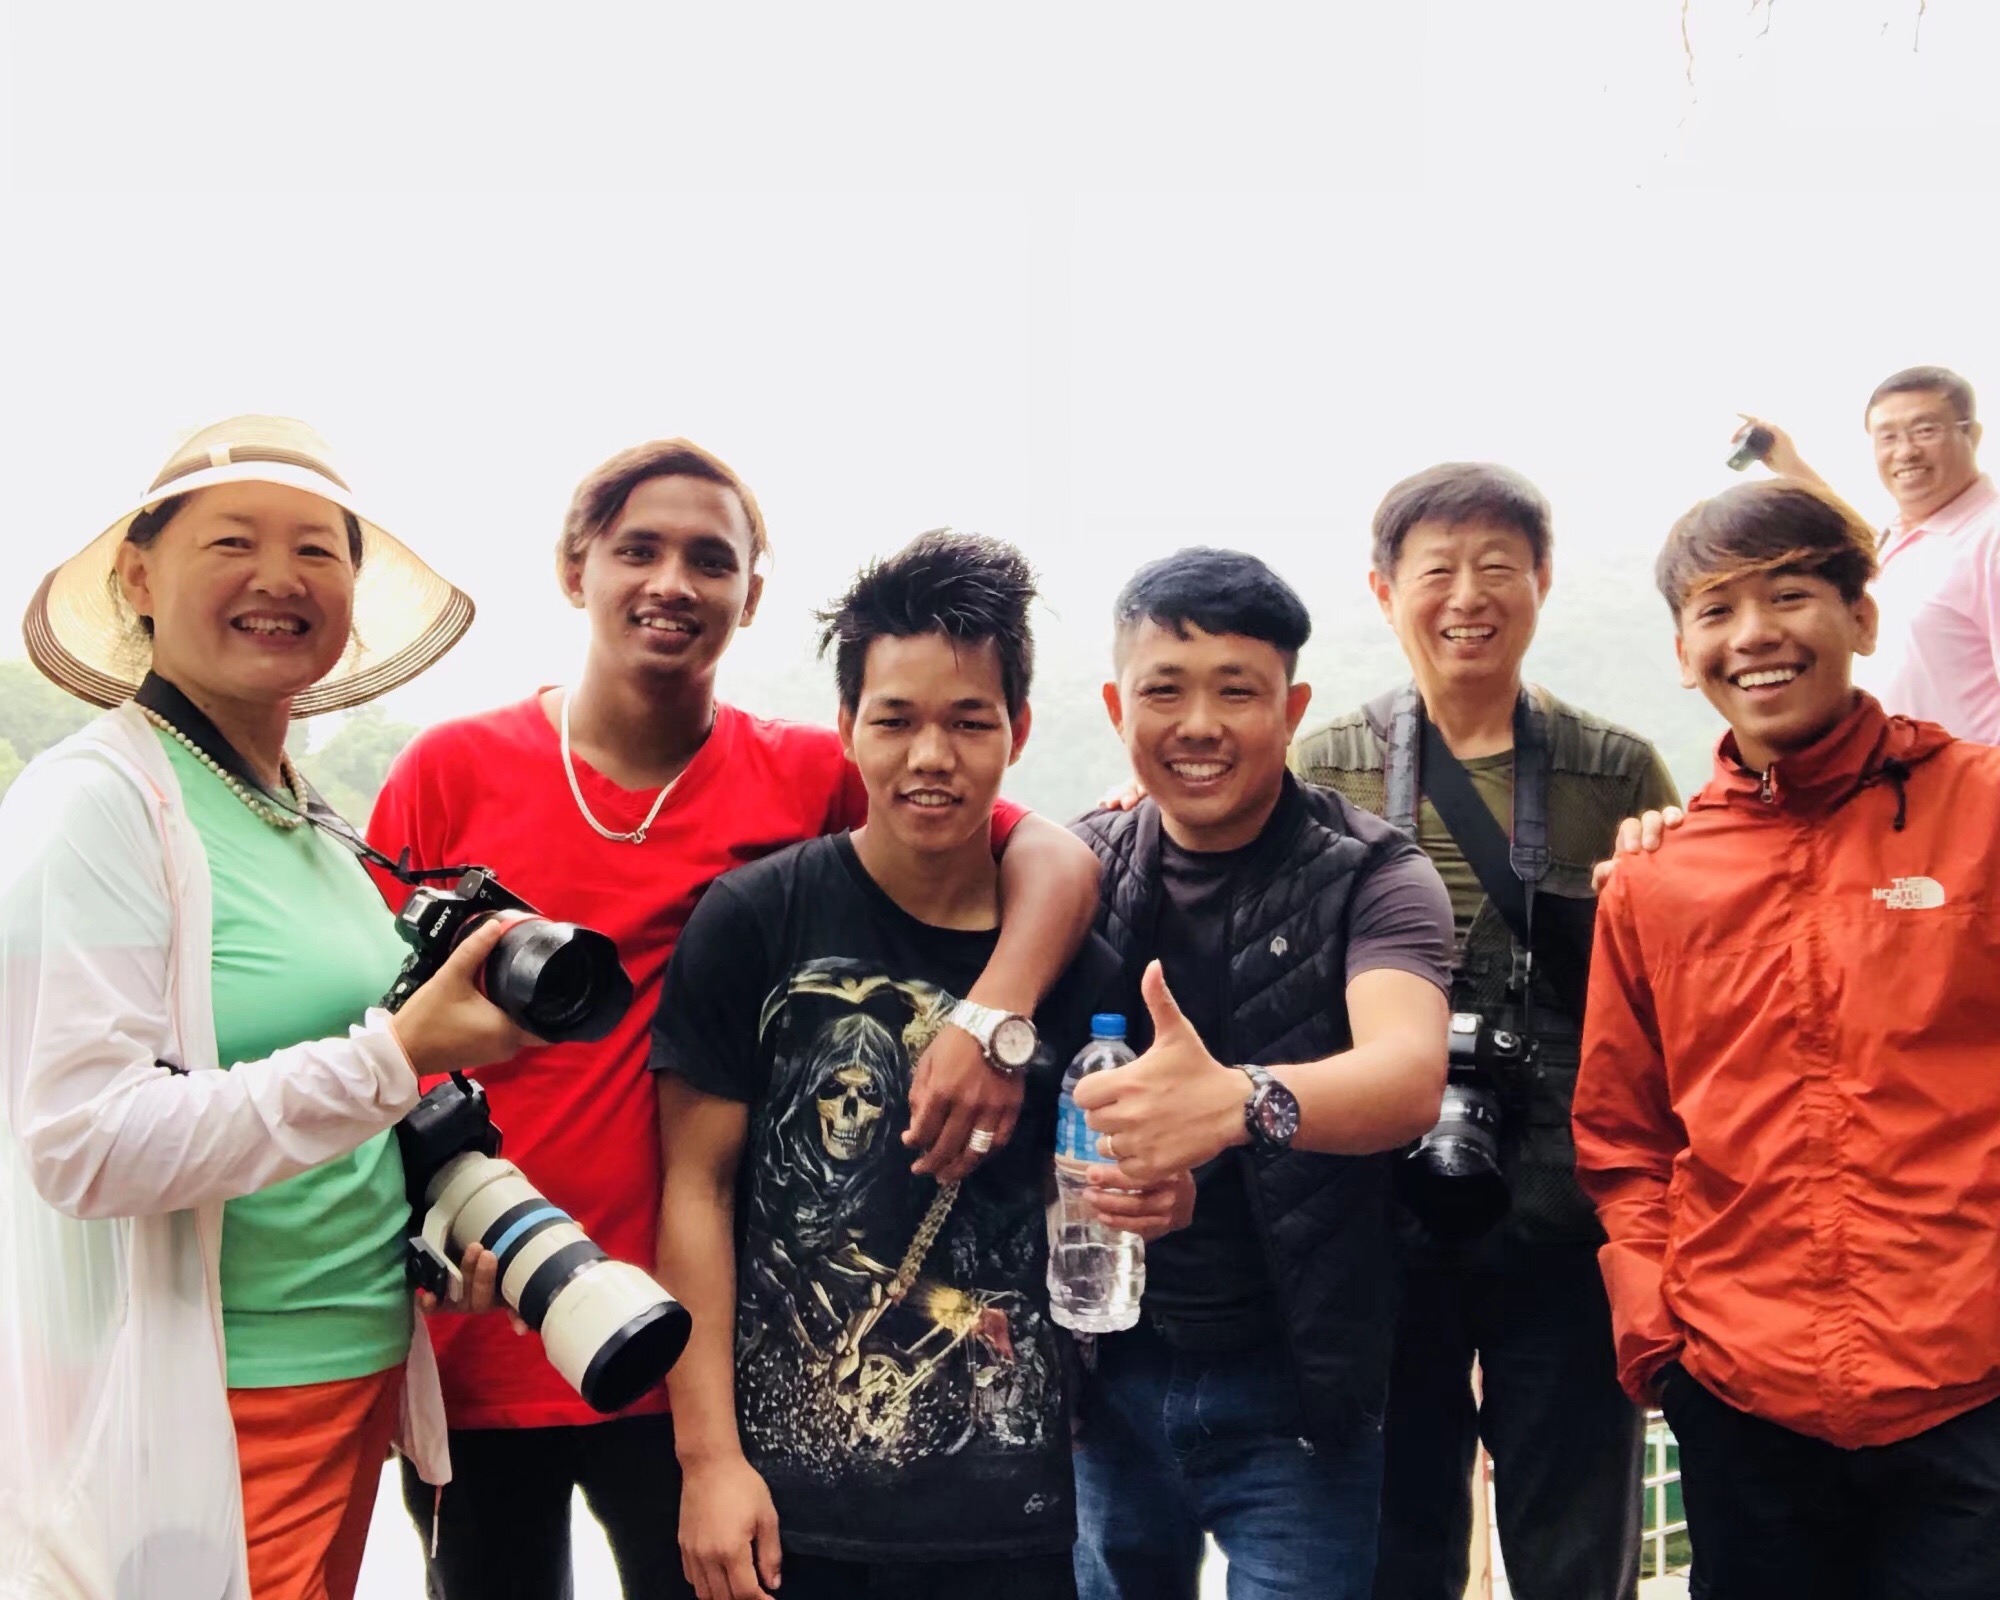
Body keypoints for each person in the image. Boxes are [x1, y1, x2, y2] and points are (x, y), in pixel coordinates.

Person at [368, 450, 1099, 1599]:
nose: (673, 581)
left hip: (683, 1346)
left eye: (710, 559)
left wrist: (993, 1012)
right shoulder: (450, 770)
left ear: (750, 594)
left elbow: (1046, 852)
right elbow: (371, 1031)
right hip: (484, 1321)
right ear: (574, 567)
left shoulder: (804, 771)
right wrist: (404, 1238)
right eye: (639, 549)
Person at [1, 416, 530, 1600]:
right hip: (209, 1398)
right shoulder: (94, 804)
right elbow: (82, 1143)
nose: (279, 577)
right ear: (140, 578)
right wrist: (395, 1055)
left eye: (317, 551)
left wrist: (430, 1231)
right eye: (232, 541)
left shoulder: (305, 811)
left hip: (349, 1368)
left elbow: (317, 1111)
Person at [1574, 478, 2000, 1599]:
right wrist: (1661, 1343)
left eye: (1791, 595)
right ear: (1683, 653)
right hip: (1741, 1402)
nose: (1754, 635)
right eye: (1717, 611)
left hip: (1985, 1399)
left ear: (1863, 619)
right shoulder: (1656, 879)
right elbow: (1623, 1133)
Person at [647, 531, 1190, 1600]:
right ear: (847, 726)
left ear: (1018, 731)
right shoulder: (755, 921)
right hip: (786, 1511)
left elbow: (1098, 1186)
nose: (930, 755)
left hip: (1008, 1511)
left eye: (968, 721)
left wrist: (1162, 1195)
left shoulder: (1080, 970)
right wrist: (707, 1462)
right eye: (895, 719)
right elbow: (695, 1190)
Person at [1293, 464, 1676, 1600]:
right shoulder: (1323, 765)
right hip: (1378, 1194)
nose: (1468, 596)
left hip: (1562, 1197)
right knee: (1394, 1528)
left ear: (1542, 582)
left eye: (1498, 566)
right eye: (1438, 570)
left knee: (1575, 1530)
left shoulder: (1615, 769)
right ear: (1384, 590)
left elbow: (1670, 983)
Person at [1068, 548, 1456, 1600]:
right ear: (1116, 707)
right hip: (1108, 1376)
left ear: (1292, 710)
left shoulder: (1376, 875)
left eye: (1236, 692)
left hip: (1298, 1392)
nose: (1198, 725)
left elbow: (1406, 1074)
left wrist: (1241, 1102)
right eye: (1164, 691)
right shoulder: (1073, 866)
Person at [1734, 365, 2000, 761]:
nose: (1905, 451)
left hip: (1971, 790)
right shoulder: (1902, 540)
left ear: (1972, 435)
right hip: (1892, 790)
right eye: (1888, 437)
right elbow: (1853, 532)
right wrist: (1789, 464)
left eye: (1925, 430)